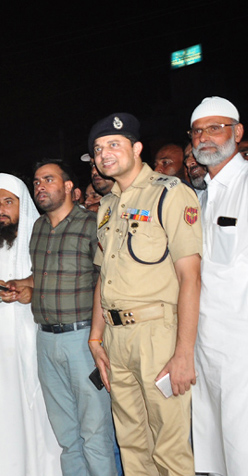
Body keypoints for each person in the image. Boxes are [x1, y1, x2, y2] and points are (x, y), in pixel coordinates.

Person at [87, 113, 201, 476]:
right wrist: (95, 337)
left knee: (169, 448)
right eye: (98, 148)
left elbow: (191, 278)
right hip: (116, 341)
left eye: (114, 145)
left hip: (158, 336)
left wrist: (183, 354)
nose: (104, 154)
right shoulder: (106, 206)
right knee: (133, 446)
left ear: (137, 148)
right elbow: (104, 275)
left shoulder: (170, 193)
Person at [0, 173, 62, 476]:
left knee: (41, 418)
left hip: (34, 341)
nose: (0, 210)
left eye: (9, 202)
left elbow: (58, 286)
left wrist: (28, 293)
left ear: (23, 204)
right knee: (0, 417)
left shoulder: (41, 241)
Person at [27, 160, 117, 476]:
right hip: (45, 340)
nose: (40, 186)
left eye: (48, 179)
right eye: (36, 181)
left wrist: (98, 338)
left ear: (68, 186)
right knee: (67, 436)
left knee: (95, 434)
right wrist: (21, 286)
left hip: (83, 341)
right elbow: (41, 277)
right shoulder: (37, 228)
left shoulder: (92, 224)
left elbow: (107, 280)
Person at [188, 96, 248, 476]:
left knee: (241, 446)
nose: (206, 137)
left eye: (216, 127)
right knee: (213, 450)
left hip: (240, 348)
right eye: (198, 130)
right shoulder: (200, 196)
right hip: (204, 346)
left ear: (237, 132)